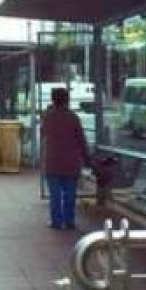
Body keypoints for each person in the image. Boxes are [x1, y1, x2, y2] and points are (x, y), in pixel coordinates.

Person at [40, 87, 91, 230]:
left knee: (55, 195)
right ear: (67, 100)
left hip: (53, 162)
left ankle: (56, 221)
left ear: (53, 99)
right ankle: (69, 221)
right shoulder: (73, 117)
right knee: (70, 194)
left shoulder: (48, 117)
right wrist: (87, 159)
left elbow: (43, 133)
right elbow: (81, 140)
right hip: (71, 162)